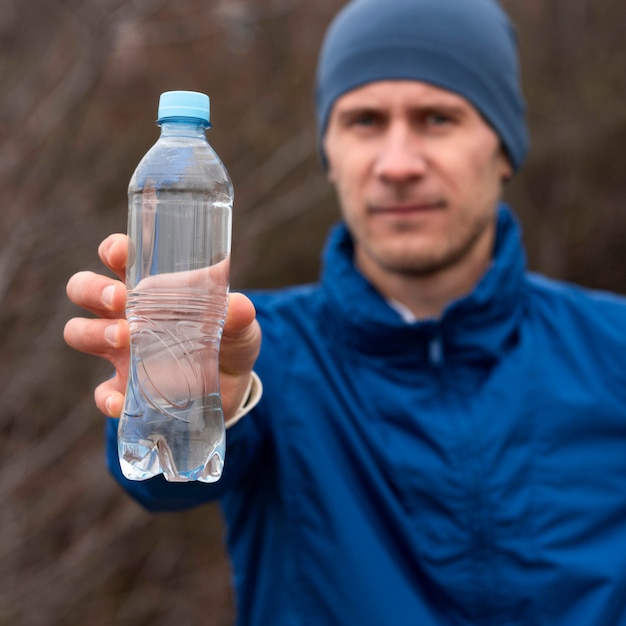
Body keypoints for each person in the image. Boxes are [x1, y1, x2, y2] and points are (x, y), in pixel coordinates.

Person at [64, 0, 626, 624]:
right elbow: (160, 486)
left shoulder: (613, 351)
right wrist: (187, 400)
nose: (397, 165)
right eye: (364, 121)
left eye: (438, 119)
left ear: (505, 148)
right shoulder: (258, 349)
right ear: (330, 153)